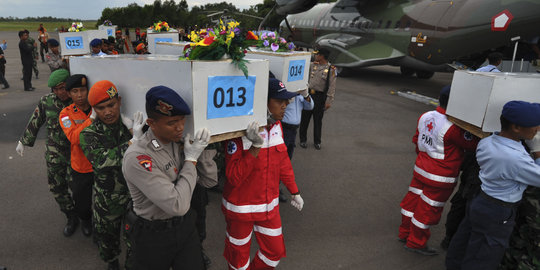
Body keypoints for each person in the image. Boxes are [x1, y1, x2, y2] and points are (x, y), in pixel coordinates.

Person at [122, 86, 218, 270]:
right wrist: (191, 161)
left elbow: (209, 181)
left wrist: (203, 150)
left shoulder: (178, 143)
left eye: (182, 120)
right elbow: (177, 205)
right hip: (152, 235)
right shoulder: (138, 157)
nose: (180, 127)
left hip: (185, 228)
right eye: (172, 122)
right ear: (151, 123)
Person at [446, 100, 540, 270]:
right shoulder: (515, 158)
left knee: (465, 239)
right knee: (485, 255)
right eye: (534, 125)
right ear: (516, 128)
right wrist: (537, 153)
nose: (538, 129)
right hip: (498, 211)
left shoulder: (487, 142)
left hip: (481, 200)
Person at [222, 78, 304, 270]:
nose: (285, 106)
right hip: (241, 209)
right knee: (237, 260)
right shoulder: (240, 132)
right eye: (279, 101)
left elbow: (283, 162)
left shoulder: (277, 126)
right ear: (263, 102)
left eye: (286, 101)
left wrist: (294, 191)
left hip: (269, 208)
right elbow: (234, 177)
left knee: (274, 252)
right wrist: (254, 147)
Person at [398, 85, 479, 256]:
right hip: (440, 178)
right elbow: (473, 144)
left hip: (420, 169)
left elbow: (416, 140)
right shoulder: (454, 127)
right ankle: (416, 243)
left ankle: (404, 233)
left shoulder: (425, 116)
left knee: (411, 203)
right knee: (428, 210)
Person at [441, 54, 505, 250]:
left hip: (473, 143)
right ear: (499, 62)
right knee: (468, 198)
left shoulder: (477, 74)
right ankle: (456, 241)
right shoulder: (500, 78)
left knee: (462, 197)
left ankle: (449, 238)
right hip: (480, 149)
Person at [16, 69, 77, 236]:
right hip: (54, 151)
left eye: (63, 88)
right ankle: (71, 215)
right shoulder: (47, 101)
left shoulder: (78, 101)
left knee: (79, 187)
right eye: (55, 89)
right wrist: (23, 141)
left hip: (77, 152)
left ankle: (85, 217)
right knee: (57, 186)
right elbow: (35, 121)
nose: (59, 92)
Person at [80, 80, 133, 270]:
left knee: (135, 240)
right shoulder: (88, 133)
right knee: (108, 239)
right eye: (101, 108)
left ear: (119, 101)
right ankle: (112, 262)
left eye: (111, 105)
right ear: (94, 109)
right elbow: (101, 162)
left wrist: (135, 132)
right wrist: (132, 144)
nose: (108, 112)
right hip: (107, 199)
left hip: (134, 196)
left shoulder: (131, 126)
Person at [59, 74, 94, 237]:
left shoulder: (98, 107)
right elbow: (74, 137)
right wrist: (91, 120)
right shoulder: (65, 114)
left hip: (101, 163)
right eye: (75, 91)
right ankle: (85, 220)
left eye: (83, 90)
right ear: (69, 94)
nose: (80, 95)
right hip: (81, 166)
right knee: (82, 202)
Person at [299, 48, 336, 150]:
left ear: (322, 56)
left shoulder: (331, 69)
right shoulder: (312, 65)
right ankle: (303, 139)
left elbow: (332, 87)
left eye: (317, 54)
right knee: (305, 118)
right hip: (309, 96)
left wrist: (329, 101)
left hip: (320, 97)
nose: (315, 56)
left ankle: (317, 141)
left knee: (317, 120)